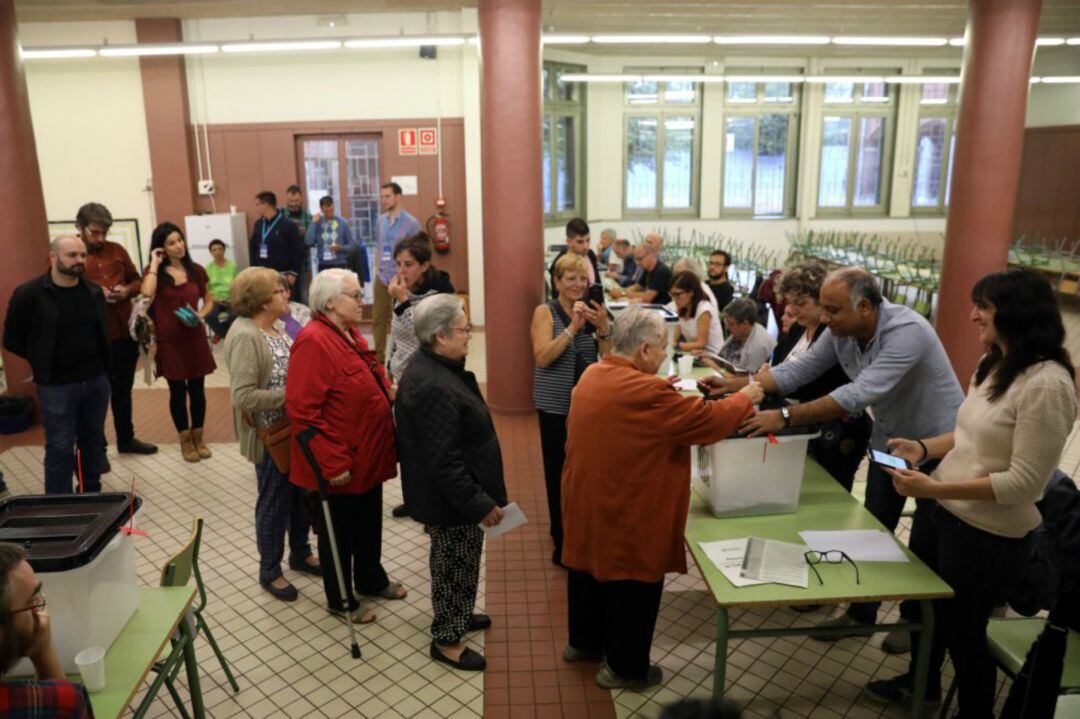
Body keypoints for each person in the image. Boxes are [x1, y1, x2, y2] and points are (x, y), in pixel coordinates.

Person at [702, 267, 965, 644]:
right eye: (822, 308)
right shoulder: (844, 331)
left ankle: (916, 623)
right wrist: (735, 386)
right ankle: (862, 613)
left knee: (927, 538)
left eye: (832, 310)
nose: (824, 318)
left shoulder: (907, 332)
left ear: (864, 307)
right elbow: (797, 372)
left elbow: (856, 395)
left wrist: (785, 416)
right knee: (875, 527)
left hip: (935, 446)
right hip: (890, 440)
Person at [864, 268, 1077, 714]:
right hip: (944, 515)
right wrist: (923, 448)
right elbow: (967, 435)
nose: (972, 316)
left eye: (983, 307)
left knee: (964, 636)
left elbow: (1025, 483)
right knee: (929, 618)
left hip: (988, 536)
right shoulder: (994, 363)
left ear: (1015, 314)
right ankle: (920, 685)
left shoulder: (1047, 385)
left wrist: (934, 486)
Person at [561, 307, 764, 690]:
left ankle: (583, 644)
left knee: (588, 569)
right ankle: (624, 668)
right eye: (661, 349)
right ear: (642, 351)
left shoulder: (594, 373)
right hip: (628, 505)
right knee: (632, 581)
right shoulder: (646, 391)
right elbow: (707, 422)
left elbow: (638, 412)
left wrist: (661, 394)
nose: (662, 356)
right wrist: (746, 396)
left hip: (586, 494)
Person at [286, 269, 407, 626]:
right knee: (339, 531)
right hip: (340, 460)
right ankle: (340, 598)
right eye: (354, 295)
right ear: (328, 303)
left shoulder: (348, 333)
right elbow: (303, 411)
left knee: (369, 520)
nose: (361, 300)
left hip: (366, 453)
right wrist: (332, 462)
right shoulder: (313, 340)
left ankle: (370, 578)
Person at [396, 294, 508, 672]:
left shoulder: (438, 367)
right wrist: (480, 503)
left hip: (456, 496)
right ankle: (447, 639)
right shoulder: (433, 385)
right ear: (440, 336)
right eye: (463, 329)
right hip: (451, 500)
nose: (469, 335)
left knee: (462, 559)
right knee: (452, 563)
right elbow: (444, 462)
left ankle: (459, 613)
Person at [224, 267, 320, 602]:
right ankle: (270, 570)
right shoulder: (246, 335)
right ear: (263, 301)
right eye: (279, 291)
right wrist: (293, 395)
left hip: (292, 429)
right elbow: (244, 396)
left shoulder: (279, 326)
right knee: (273, 501)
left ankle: (300, 551)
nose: (286, 295)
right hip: (270, 435)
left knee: (299, 494)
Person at [3, 236, 111, 493]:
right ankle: (58, 502)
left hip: (95, 380)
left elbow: (100, 334)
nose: (79, 261)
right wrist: (40, 360)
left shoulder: (92, 292)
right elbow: (11, 339)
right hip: (57, 386)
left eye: (83, 256)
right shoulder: (30, 294)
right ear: (53, 257)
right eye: (72, 255)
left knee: (92, 441)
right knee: (61, 445)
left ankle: (89, 492)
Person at [531, 253, 612, 566]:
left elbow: (606, 357)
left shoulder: (593, 312)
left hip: (588, 407)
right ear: (557, 282)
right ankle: (561, 540)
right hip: (554, 406)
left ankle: (585, 534)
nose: (578, 284)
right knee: (558, 474)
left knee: (586, 474)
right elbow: (542, 357)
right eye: (571, 278)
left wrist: (602, 327)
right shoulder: (545, 312)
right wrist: (572, 329)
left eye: (583, 279)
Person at [769, 264, 872, 492]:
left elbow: (802, 379)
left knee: (829, 492)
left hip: (836, 429)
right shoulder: (797, 330)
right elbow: (781, 368)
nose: (793, 310)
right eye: (790, 303)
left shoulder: (835, 334)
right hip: (804, 424)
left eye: (801, 303)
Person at [75, 202, 157, 458]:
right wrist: (94, 293)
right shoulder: (69, 253)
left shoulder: (117, 250)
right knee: (94, 395)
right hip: (91, 338)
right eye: (95, 232)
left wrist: (127, 290)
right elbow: (59, 289)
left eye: (104, 233)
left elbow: (136, 279)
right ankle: (96, 447)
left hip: (123, 333)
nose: (100, 238)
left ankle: (126, 439)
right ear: (80, 227)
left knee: (122, 391)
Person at [385, 233, 455, 520]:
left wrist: (403, 302)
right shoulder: (401, 292)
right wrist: (388, 364)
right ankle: (413, 499)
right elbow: (396, 332)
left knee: (433, 447)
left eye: (409, 264)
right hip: (402, 377)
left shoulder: (438, 295)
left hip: (429, 379)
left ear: (425, 265)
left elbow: (426, 336)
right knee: (408, 445)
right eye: (398, 264)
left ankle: (435, 503)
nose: (402, 271)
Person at [141, 222, 217, 463]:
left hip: (194, 337)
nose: (178, 246)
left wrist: (201, 315)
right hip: (169, 340)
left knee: (197, 390)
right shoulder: (155, 274)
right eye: (171, 243)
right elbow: (146, 293)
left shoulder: (196, 270)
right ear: (160, 248)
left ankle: (199, 437)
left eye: (180, 240)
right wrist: (154, 263)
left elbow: (208, 298)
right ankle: (185, 440)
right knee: (177, 391)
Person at [0, 543, 94, 719]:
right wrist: (43, 651)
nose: (39, 609)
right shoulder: (50, 703)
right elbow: (62, 706)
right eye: (31, 603)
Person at [373, 182, 422, 364]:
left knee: (399, 322)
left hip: (402, 279)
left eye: (387, 196)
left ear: (398, 197)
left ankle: (397, 363)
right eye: (382, 196)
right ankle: (378, 363)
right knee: (378, 321)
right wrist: (378, 269)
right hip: (383, 277)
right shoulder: (380, 221)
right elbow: (378, 247)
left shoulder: (411, 223)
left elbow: (418, 252)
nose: (384, 200)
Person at [250, 191, 305, 301]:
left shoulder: (288, 225)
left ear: (266, 204)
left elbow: (297, 251)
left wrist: (293, 273)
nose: (255, 207)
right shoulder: (259, 224)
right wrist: (254, 270)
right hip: (263, 275)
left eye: (257, 204)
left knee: (285, 306)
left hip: (283, 275)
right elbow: (253, 248)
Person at [670, 271, 723, 357]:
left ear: (691, 292)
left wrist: (677, 345)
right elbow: (674, 336)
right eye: (672, 294)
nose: (675, 299)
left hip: (713, 357)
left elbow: (701, 344)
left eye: (678, 294)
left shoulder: (704, 309)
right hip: (695, 355)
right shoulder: (680, 307)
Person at [716, 298, 776, 371]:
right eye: (726, 322)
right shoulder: (741, 333)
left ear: (745, 324)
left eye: (731, 324)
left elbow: (744, 379)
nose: (727, 328)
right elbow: (721, 358)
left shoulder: (758, 346)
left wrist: (715, 367)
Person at [549, 217, 600, 298]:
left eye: (588, 240)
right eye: (580, 242)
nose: (586, 246)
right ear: (569, 242)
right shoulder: (559, 263)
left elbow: (597, 286)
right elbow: (556, 296)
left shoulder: (590, 254)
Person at [305, 196, 357, 274]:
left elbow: (352, 246)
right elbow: (309, 242)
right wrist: (312, 223)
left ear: (334, 207)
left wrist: (341, 248)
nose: (329, 214)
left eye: (331, 210)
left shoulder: (343, 223)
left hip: (340, 264)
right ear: (321, 209)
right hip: (323, 265)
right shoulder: (317, 223)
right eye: (326, 211)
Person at [282, 185, 313, 302]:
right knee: (286, 295)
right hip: (285, 264)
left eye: (297, 201)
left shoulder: (307, 217)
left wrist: (304, 234)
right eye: (291, 201)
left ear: (301, 199)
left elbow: (311, 241)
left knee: (304, 294)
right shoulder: (280, 215)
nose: (294, 204)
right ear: (287, 199)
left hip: (303, 263)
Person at [204, 239, 238, 340]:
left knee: (235, 315)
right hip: (215, 300)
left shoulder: (232, 266)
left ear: (224, 250)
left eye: (220, 249)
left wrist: (232, 298)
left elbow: (237, 285)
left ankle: (221, 332)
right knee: (209, 316)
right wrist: (215, 299)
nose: (217, 251)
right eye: (214, 249)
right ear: (210, 252)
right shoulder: (208, 268)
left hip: (230, 298)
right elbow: (206, 289)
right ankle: (226, 336)